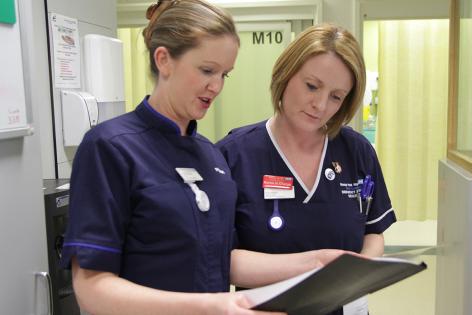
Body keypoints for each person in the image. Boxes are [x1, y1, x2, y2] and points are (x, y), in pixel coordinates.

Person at [60, 2, 343, 314]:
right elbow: (92, 288)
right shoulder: (110, 148)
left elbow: (221, 257)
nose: (216, 86)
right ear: (164, 60)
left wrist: (319, 262)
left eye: (225, 74)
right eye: (207, 70)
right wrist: (212, 306)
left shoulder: (212, 157)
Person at [217, 24, 397, 315]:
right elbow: (221, 259)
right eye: (312, 86)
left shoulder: (357, 152)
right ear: (285, 74)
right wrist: (314, 268)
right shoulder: (233, 155)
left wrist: (357, 275)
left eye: (336, 96)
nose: (320, 105)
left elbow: (373, 232)